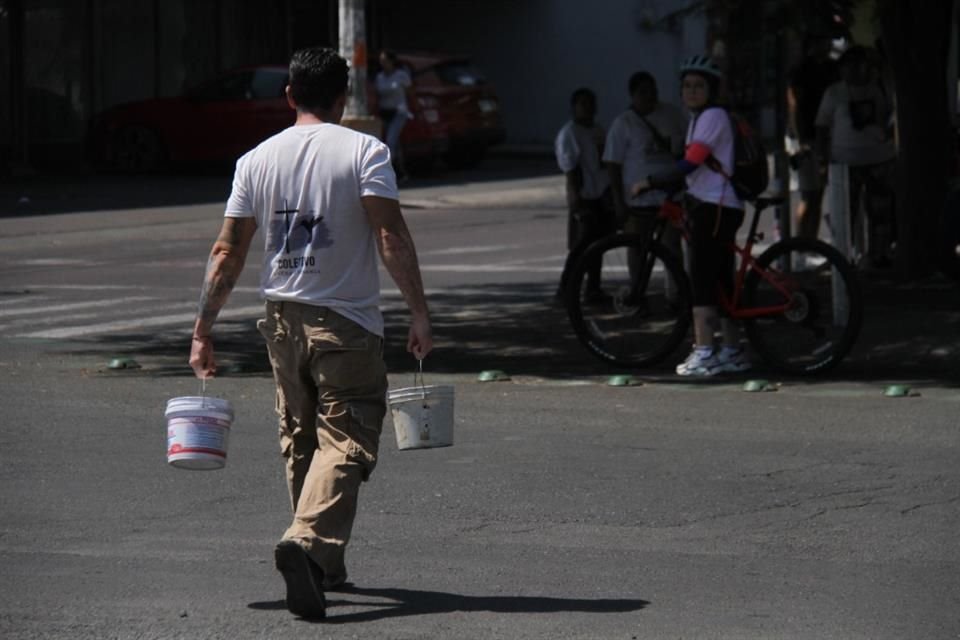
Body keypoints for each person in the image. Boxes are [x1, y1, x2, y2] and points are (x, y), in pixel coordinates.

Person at [188, 47, 433, 620]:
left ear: (290, 95)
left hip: (280, 320)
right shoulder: (365, 151)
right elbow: (390, 236)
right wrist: (419, 311)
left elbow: (227, 250)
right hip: (344, 321)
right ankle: (305, 542)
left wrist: (203, 328)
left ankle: (324, 560)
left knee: (301, 436)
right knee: (346, 437)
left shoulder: (255, 160)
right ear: (343, 98)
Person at [633, 55, 750, 376]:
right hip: (714, 204)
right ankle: (731, 350)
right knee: (721, 279)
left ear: (711, 90)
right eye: (687, 86)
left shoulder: (712, 116)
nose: (692, 91)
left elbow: (692, 162)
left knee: (701, 279)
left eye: (699, 86)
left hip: (714, 206)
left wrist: (651, 181)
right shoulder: (700, 119)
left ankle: (704, 350)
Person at [603, 72, 687, 301]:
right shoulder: (623, 123)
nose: (650, 96)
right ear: (632, 95)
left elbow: (686, 150)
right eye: (643, 91)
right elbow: (612, 163)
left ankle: (676, 296)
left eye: (653, 90)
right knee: (637, 247)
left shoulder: (672, 115)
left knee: (672, 246)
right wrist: (619, 201)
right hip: (638, 199)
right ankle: (638, 294)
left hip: (669, 196)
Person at [815, 45, 897, 268]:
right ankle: (841, 256)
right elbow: (822, 127)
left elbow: (894, 117)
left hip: (879, 158)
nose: (853, 71)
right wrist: (822, 159)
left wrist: (888, 132)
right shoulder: (834, 93)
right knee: (843, 213)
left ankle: (878, 255)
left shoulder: (881, 88)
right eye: (848, 66)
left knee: (880, 212)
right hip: (844, 161)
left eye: (859, 66)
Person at [554, 87, 613, 300]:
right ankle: (565, 288)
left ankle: (593, 288)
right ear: (574, 107)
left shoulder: (598, 130)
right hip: (584, 195)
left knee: (598, 244)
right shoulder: (569, 133)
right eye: (583, 104)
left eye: (591, 103)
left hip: (600, 193)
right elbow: (570, 167)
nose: (588, 108)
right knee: (581, 245)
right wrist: (574, 196)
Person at [786, 32, 838, 240]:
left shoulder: (829, 68)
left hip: (823, 135)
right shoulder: (802, 71)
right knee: (809, 194)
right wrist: (800, 140)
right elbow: (794, 106)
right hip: (807, 138)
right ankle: (801, 242)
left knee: (817, 194)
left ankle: (809, 242)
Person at [375, 50, 413, 182]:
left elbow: (410, 93)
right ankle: (401, 171)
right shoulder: (380, 77)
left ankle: (387, 173)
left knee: (391, 141)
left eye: (385, 61)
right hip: (385, 112)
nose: (383, 64)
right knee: (395, 144)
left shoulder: (401, 75)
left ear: (392, 61)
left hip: (399, 111)